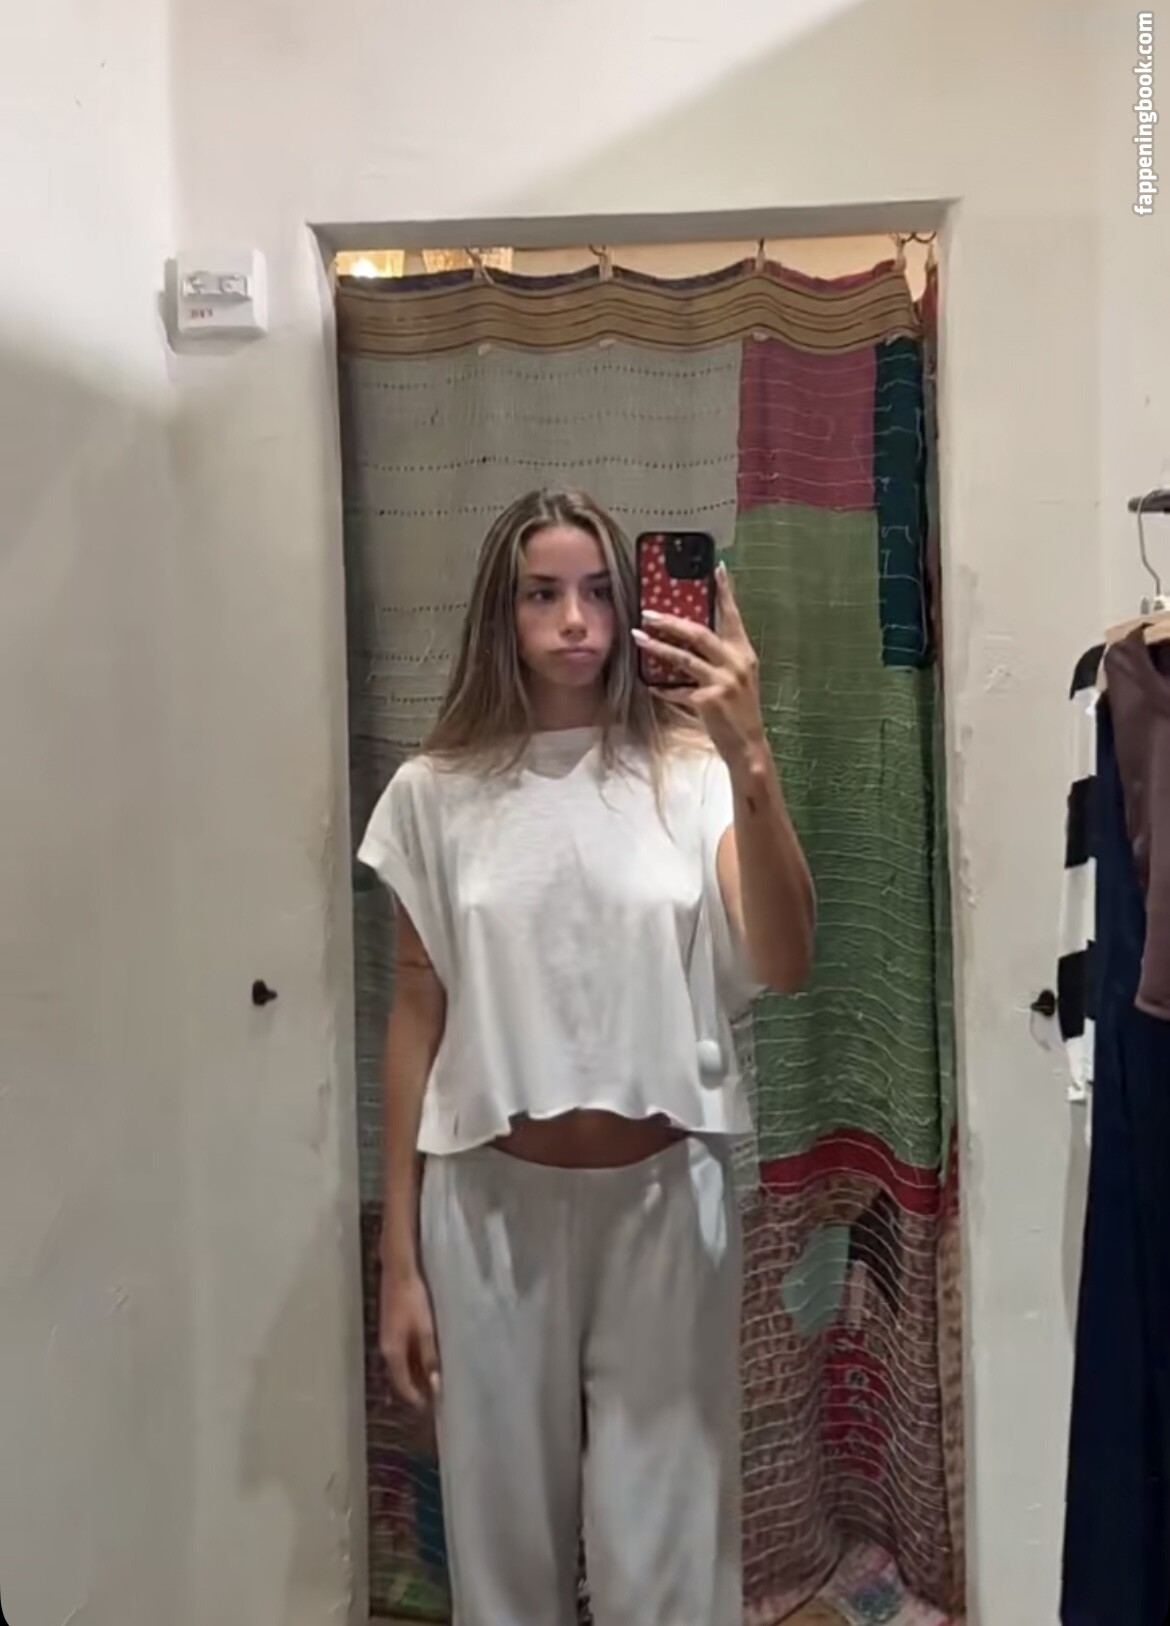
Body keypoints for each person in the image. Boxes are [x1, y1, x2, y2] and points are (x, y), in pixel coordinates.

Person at [359, 489, 815, 1626]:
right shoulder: (436, 793)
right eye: (543, 594)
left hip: (667, 1203)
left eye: (603, 592)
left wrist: (751, 752)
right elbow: (417, 1014)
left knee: (667, 1564)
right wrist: (399, 1259)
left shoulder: (694, 775)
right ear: (500, 614)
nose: (576, 620)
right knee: (502, 1562)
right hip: (488, 1209)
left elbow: (785, 959)